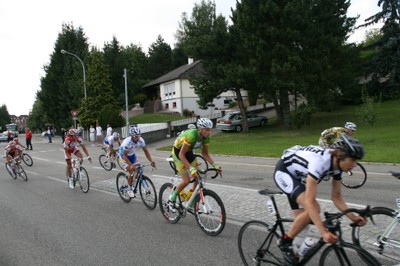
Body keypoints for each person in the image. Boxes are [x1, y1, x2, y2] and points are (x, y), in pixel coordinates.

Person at [274, 135, 367, 264]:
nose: (355, 164)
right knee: (314, 208)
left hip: (299, 177)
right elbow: (310, 202)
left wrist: (352, 217)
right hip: (285, 172)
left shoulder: (337, 167)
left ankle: (293, 255)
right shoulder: (320, 163)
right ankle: (285, 242)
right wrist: (323, 232)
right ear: (340, 155)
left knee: (303, 222)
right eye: (353, 160)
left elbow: (336, 197)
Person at [167, 118, 222, 210]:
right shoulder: (192, 135)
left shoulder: (206, 138)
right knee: (186, 180)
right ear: (200, 129)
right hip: (178, 153)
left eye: (210, 129)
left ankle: (191, 200)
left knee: (197, 176)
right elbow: (181, 154)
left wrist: (215, 165)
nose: (209, 132)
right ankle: (172, 197)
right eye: (207, 130)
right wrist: (191, 168)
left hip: (188, 152)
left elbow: (205, 153)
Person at [119, 127, 156, 198]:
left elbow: (146, 151)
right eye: (136, 136)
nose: (138, 138)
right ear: (132, 136)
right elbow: (125, 156)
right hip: (124, 156)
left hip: (132, 155)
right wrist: (131, 165)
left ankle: (133, 183)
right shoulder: (127, 143)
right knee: (131, 170)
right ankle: (129, 189)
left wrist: (151, 161)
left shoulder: (141, 140)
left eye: (139, 136)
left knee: (140, 169)